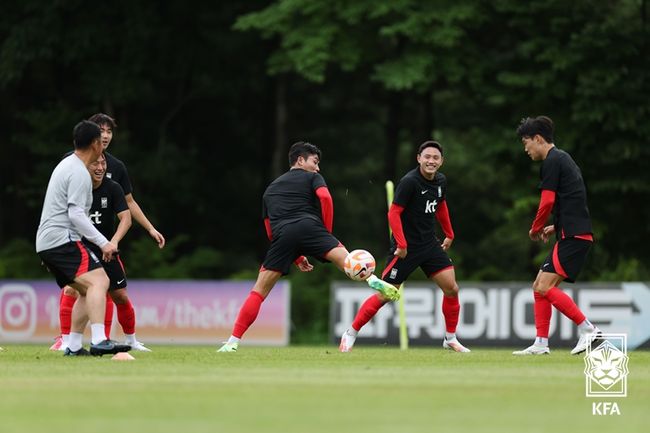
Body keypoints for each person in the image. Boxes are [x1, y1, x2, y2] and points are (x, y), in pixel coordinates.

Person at [217, 141, 400, 352]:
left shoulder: (270, 190)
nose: (318, 167)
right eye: (315, 162)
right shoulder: (312, 177)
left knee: (258, 292)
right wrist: (327, 233)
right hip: (311, 227)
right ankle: (372, 279)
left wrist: (296, 257)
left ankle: (232, 341)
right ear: (300, 160)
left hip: (283, 235)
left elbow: (269, 231)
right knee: (349, 261)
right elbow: (325, 198)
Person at [339, 140, 470, 353]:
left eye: (435, 158)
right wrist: (401, 243)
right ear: (419, 158)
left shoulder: (441, 181)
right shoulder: (410, 182)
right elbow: (394, 213)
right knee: (386, 295)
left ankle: (450, 338)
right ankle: (351, 333)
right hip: (406, 248)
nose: (431, 161)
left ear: (441, 161)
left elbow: (441, 205)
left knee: (452, 288)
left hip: (430, 245)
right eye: (427, 157)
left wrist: (450, 233)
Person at [36, 120, 130, 356]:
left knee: (86, 290)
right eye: (102, 139)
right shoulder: (78, 171)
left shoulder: (67, 165)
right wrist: (104, 243)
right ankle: (99, 340)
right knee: (100, 281)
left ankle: (74, 346)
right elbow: (76, 214)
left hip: (51, 241)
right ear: (96, 144)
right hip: (62, 238)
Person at [513, 115, 601, 356]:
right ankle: (541, 343)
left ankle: (589, 329)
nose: (526, 149)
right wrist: (556, 225)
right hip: (572, 232)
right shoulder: (563, 158)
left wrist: (536, 227)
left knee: (544, 286)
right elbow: (573, 198)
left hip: (575, 236)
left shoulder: (552, 161)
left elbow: (548, 200)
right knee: (538, 285)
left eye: (526, 142)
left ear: (538, 139)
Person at [52, 153, 152, 352]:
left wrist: (113, 242)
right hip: (80, 248)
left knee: (120, 296)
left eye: (103, 163)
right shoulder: (75, 188)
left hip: (107, 249)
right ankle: (69, 341)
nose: (100, 167)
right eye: (95, 163)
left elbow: (126, 218)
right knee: (74, 290)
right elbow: (60, 218)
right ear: (84, 166)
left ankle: (131, 340)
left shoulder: (113, 187)